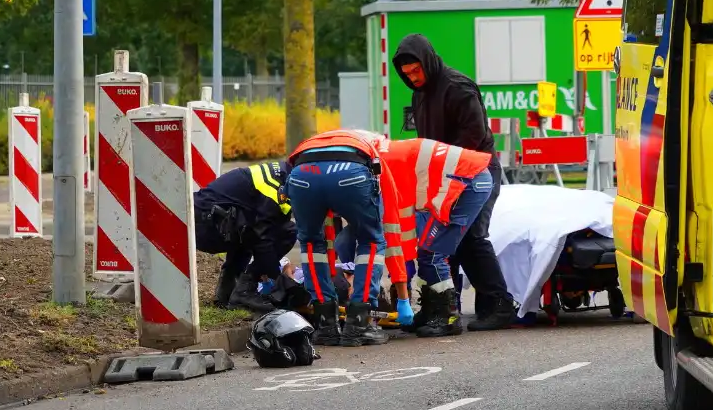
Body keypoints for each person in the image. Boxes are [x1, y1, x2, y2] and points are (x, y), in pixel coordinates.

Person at [392, 34, 517, 330]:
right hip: (444, 173)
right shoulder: (418, 94)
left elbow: (472, 135)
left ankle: (499, 305)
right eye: (406, 74)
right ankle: (448, 306)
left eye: (416, 71)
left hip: (477, 170)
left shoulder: (458, 87)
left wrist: (443, 167)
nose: (413, 78)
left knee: (472, 237)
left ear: (428, 62)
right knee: (447, 241)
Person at [284, 130, 412, 347]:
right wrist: (403, 297)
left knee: (311, 245)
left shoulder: (321, 140)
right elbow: (389, 225)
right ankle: (359, 324)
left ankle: (326, 326)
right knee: (371, 241)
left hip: (302, 173)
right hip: (350, 173)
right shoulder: (379, 156)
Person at [365, 135, 494, 337]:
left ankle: (448, 317)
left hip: (467, 181)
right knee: (427, 250)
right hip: (467, 177)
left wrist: (402, 285)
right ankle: (430, 311)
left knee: (432, 254)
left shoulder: (386, 167)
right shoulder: (381, 155)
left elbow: (401, 227)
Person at [193, 160, 296, 312]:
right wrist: (277, 281)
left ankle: (227, 292)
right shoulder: (276, 187)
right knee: (286, 233)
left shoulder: (281, 174)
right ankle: (244, 291)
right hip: (207, 226)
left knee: (250, 225)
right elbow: (264, 239)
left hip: (201, 220)